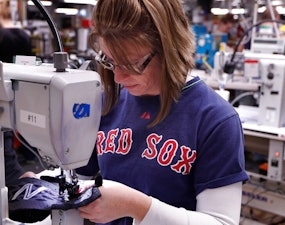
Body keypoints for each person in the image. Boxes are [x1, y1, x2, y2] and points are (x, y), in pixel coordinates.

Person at [76, 0, 248, 225]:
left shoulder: (215, 119)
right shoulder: (109, 101)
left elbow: (221, 222)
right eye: (110, 61)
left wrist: (138, 207)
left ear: (169, 47)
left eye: (132, 64)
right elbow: (78, 179)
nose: (118, 78)